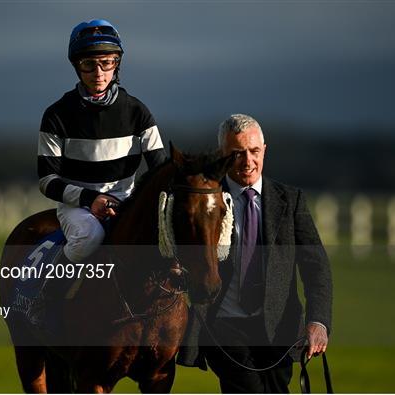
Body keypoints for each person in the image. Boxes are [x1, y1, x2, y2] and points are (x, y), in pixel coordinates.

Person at [178, 114, 332, 393]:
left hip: (278, 330)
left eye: (254, 151)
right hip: (222, 326)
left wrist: (318, 321)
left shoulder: (291, 201)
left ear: (264, 150)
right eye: (237, 153)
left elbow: (316, 267)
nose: (248, 161)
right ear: (221, 156)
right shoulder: (205, 203)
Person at [37, 19, 166, 271]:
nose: (99, 73)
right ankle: (49, 291)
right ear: (77, 66)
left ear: (116, 64)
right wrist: (91, 198)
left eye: (106, 63)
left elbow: (160, 170)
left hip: (126, 202)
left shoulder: (138, 112)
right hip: (77, 206)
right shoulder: (56, 115)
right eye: (89, 65)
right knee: (89, 237)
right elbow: (46, 180)